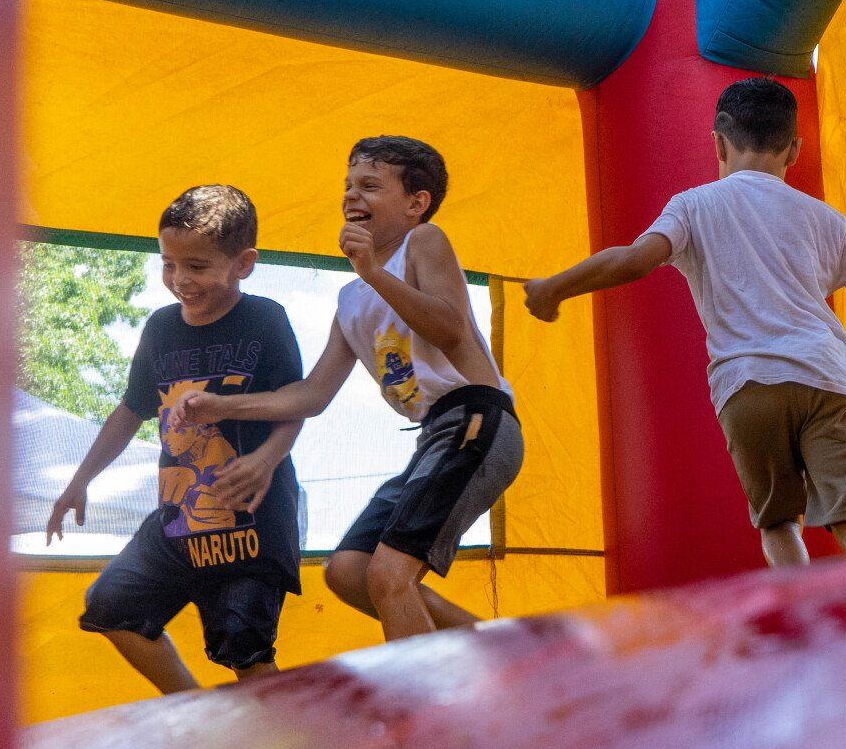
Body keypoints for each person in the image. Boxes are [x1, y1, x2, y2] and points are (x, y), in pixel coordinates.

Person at [523, 77, 846, 568]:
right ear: (794, 149)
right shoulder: (824, 218)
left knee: (779, 524)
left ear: (718, 143)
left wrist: (556, 287)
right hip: (828, 380)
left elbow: (637, 260)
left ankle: (803, 632)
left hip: (747, 388)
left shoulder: (693, 205)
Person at [179, 136, 519, 641]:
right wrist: (222, 405)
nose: (351, 196)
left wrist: (375, 272)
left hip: (476, 418)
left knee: (389, 576)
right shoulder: (351, 298)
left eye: (369, 186)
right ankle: (506, 648)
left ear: (415, 203)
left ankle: (426, 708)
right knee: (349, 571)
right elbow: (311, 396)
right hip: (435, 436)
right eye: (348, 186)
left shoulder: (423, 242)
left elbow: (450, 329)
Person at [45, 185, 305, 693]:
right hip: (177, 521)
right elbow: (130, 410)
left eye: (198, 266)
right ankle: (192, 710)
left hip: (248, 524)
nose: (180, 280)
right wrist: (79, 480)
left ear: (243, 263)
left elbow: (296, 402)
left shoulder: (264, 319)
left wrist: (268, 459)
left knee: (242, 646)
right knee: (111, 606)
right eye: (169, 264)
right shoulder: (161, 328)